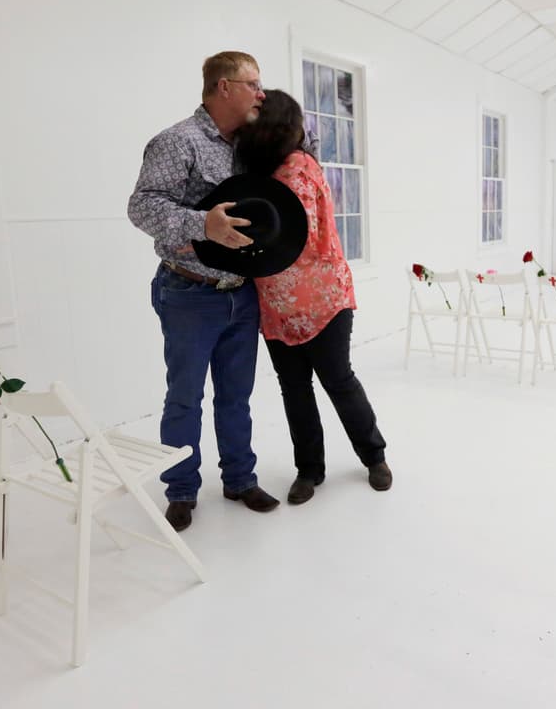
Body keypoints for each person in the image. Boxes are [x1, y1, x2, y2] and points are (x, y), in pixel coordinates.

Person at [127, 51, 280, 531]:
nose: (261, 92)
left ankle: (239, 479)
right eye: (253, 84)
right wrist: (202, 224)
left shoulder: (254, 145)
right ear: (223, 88)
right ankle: (181, 491)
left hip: (243, 293)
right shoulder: (177, 142)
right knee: (185, 398)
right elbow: (142, 207)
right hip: (189, 292)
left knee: (236, 397)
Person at [234, 90, 392, 505]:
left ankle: (374, 456)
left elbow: (295, 233)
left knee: (338, 380)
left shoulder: (298, 166)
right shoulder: (258, 170)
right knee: (295, 389)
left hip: (323, 299)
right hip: (276, 304)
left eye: (253, 118)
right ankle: (309, 470)